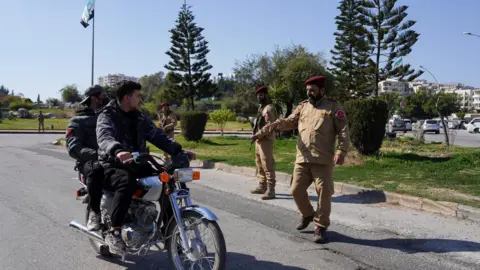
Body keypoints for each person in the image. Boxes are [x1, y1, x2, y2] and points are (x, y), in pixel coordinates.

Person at [96, 80, 195, 254]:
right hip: (112, 164)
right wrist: (117, 150)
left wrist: (179, 151)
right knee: (126, 182)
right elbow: (104, 136)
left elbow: (157, 136)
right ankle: (115, 231)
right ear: (127, 97)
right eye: (137, 96)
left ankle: (169, 231)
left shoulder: (139, 117)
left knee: (165, 180)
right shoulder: (108, 115)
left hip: (137, 162)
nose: (140, 99)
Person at [252, 76, 350, 244]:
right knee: (295, 190)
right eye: (307, 90)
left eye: (312, 90)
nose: (309, 92)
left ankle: (320, 227)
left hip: (323, 160)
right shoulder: (303, 106)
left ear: (321, 90)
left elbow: (343, 130)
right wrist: (273, 126)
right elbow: (290, 121)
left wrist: (341, 151)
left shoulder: (333, 106)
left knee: (324, 194)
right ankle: (307, 214)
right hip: (302, 158)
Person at [66, 85, 109, 231]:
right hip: (90, 161)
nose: (106, 99)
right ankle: (94, 213)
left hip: (112, 159)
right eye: (103, 96)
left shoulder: (110, 117)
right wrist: (97, 154)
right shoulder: (78, 121)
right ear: (93, 98)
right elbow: (74, 148)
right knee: (96, 171)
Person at [250, 86, 278, 200]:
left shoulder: (269, 109)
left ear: (266, 95)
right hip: (259, 140)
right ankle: (262, 186)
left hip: (266, 140)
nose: (259, 97)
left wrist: (259, 134)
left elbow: (270, 125)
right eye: (258, 95)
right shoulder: (262, 108)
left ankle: (271, 190)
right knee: (259, 164)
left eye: (261, 95)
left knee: (267, 165)